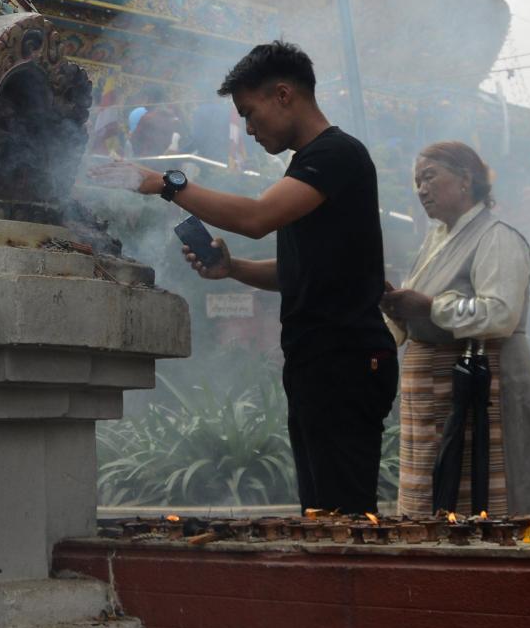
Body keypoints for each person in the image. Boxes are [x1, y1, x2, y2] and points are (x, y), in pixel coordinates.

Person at [135, 40, 395, 514]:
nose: (248, 129)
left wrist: (167, 184)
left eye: (249, 114)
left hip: (346, 357)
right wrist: (233, 269)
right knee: (321, 511)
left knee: (344, 515)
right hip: (316, 358)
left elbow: (256, 218)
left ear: (283, 95)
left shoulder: (336, 155)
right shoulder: (306, 167)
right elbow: (298, 271)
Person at [381, 141, 530, 517]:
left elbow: (500, 313)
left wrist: (431, 306)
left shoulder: (496, 237)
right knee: (439, 503)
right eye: (417, 181)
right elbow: (415, 311)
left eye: (429, 177)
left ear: (466, 180)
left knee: (490, 502)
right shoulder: (435, 239)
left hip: (485, 387)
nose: (421, 189)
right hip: (434, 396)